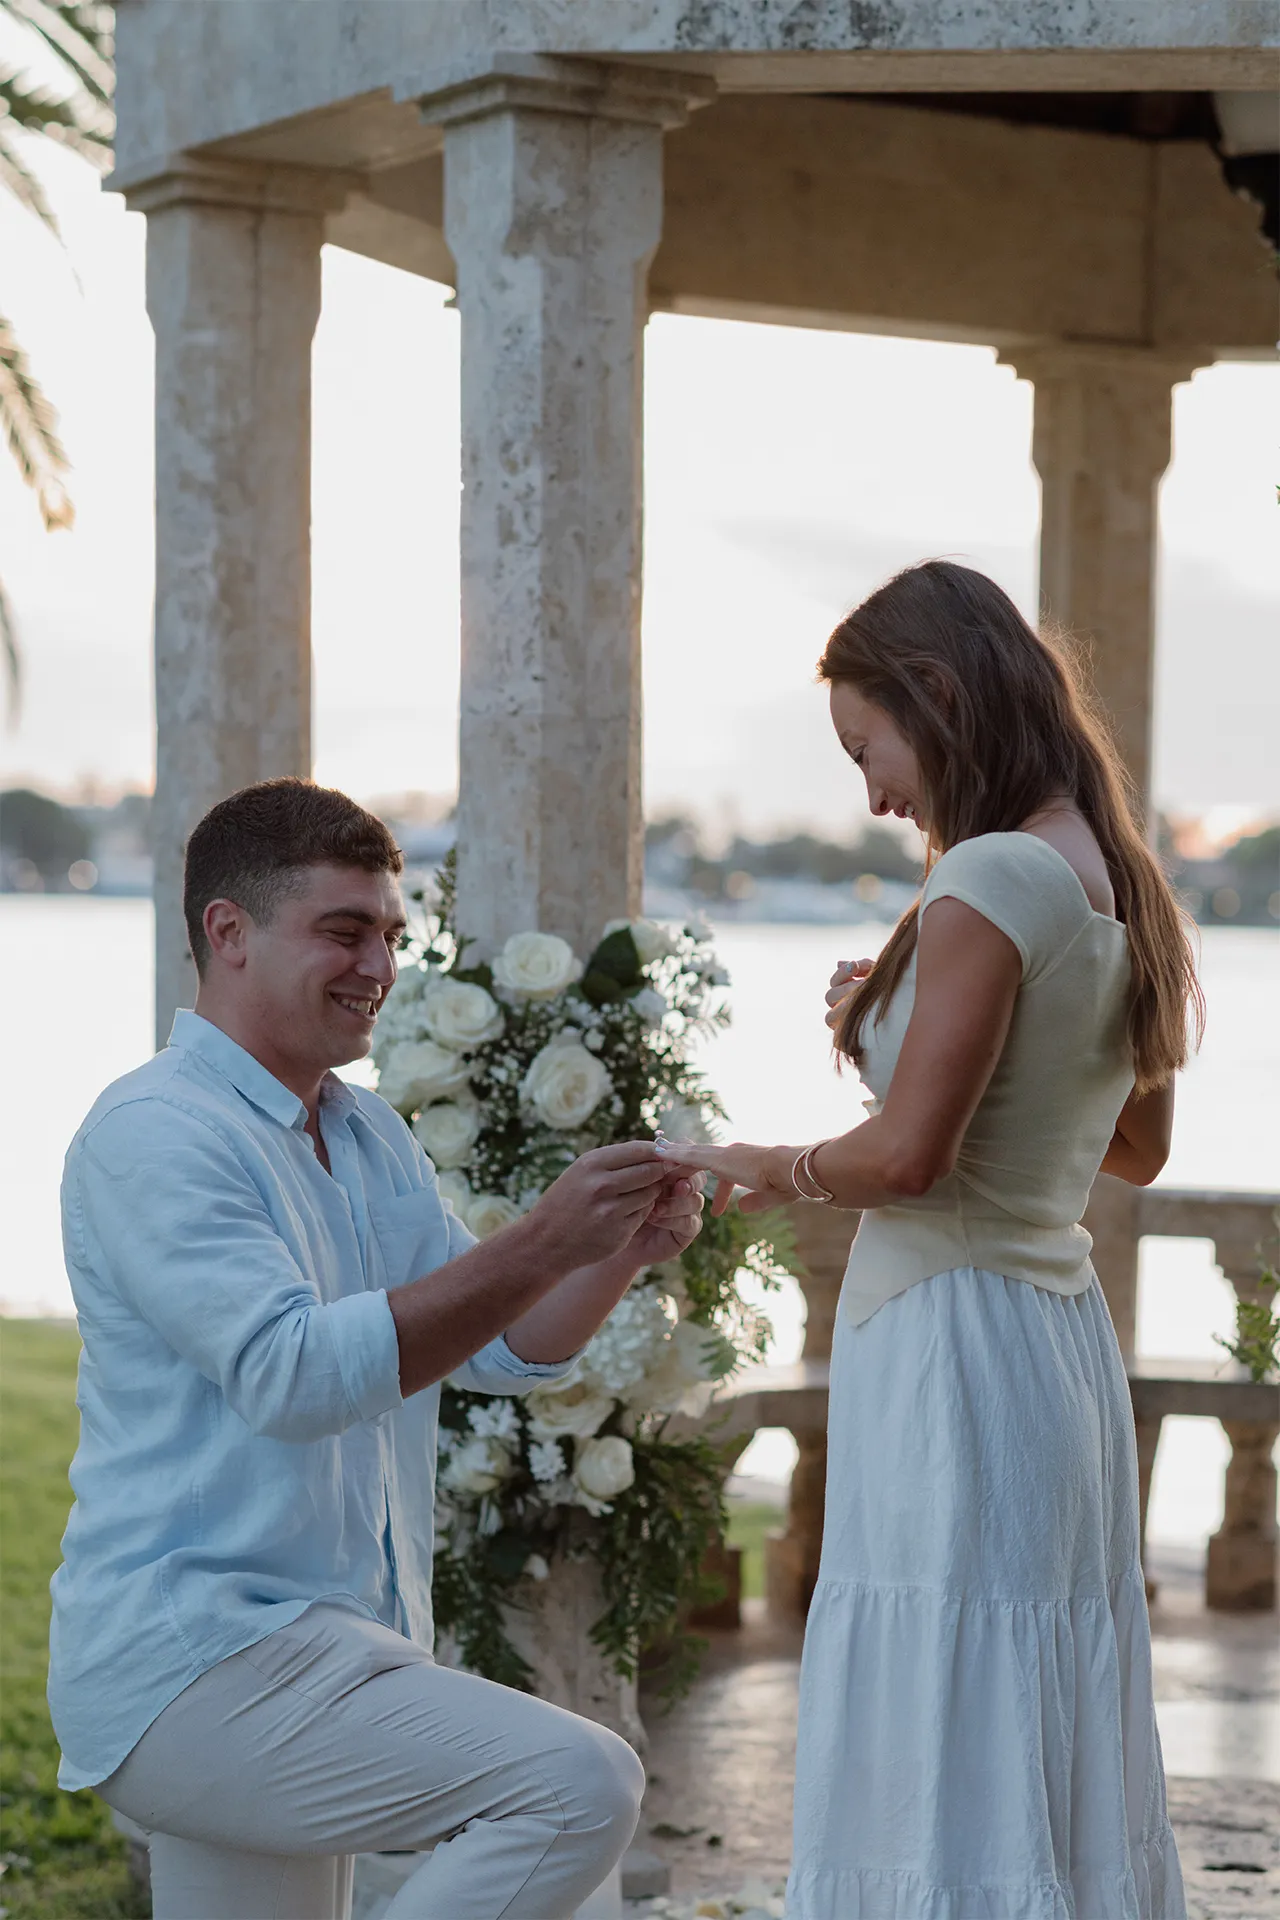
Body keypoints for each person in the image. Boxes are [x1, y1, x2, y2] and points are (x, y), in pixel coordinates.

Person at [50, 777, 705, 1920]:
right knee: (575, 1785)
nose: (379, 966)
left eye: (391, 935)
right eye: (344, 930)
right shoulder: (153, 1131)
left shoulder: (364, 1134)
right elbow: (295, 1373)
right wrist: (538, 1235)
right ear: (228, 933)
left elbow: (503, 1346)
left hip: (327, 1650)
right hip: (193, 1666)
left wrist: (609, 1253)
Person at [658, 561, 1198, 1920]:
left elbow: (909, 1159)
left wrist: (761, 1168)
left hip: (952, 1338)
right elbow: (1132, 1148)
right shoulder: (1112, 873)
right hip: (1052, 1342)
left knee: (941, 1692)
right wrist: (909, 1018)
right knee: (1020, 1693)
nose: (872, 792)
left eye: (868, 747)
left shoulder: (989, 874)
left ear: (936, 696)